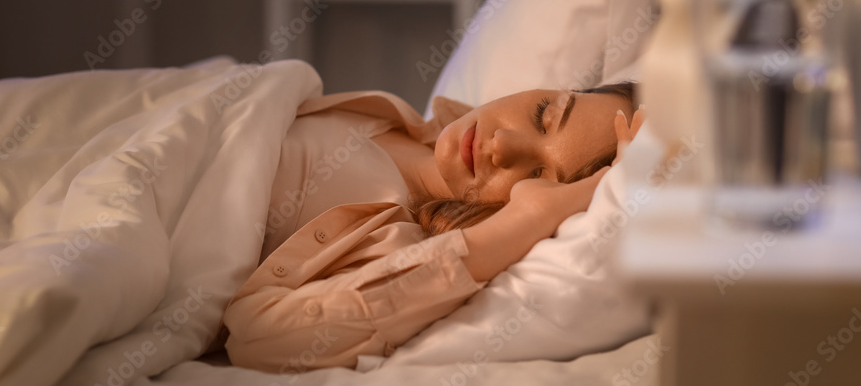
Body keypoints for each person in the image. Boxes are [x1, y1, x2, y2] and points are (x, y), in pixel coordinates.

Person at [223, 83, 645, 374]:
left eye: (537, 174)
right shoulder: (421, 121)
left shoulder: (397, 241)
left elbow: (257, 339)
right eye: (545, 114)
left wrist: (527, 219)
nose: (501, 146)